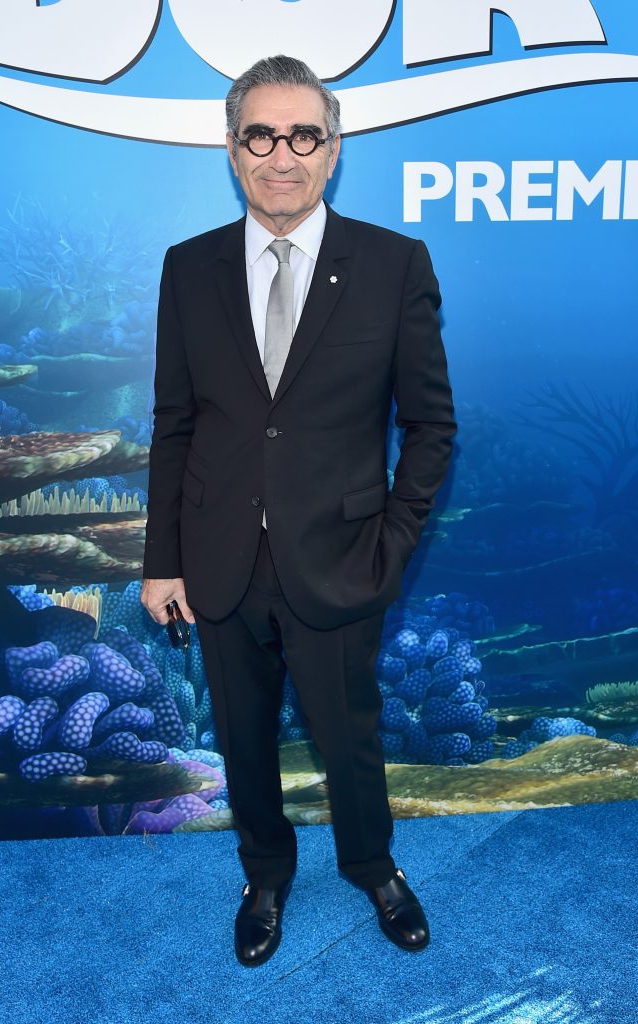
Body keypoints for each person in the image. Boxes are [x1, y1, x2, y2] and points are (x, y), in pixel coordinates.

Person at [141, 54, 457, 967]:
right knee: (243, 739)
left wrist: (390, 547)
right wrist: (162, 560)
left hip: (341, 555)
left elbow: (431, 426)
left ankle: (372, 866)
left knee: (349, 739)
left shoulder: (395, 265)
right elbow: (174, 424)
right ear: (233, 149)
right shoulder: (188, 268)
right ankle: (264, 875)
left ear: (334, 148)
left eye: (304, 135)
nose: (284, 156)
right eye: (261, 135)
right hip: (219, 557)